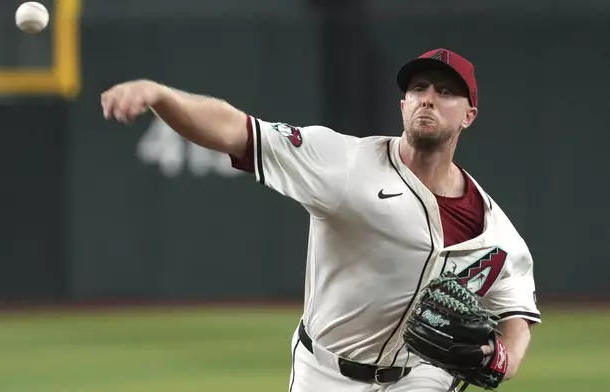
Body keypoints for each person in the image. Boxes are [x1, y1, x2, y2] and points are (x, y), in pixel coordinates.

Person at [100, 48, 541, 392]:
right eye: (419, 88)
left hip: (419, 376)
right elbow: (236, 129)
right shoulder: (345, 163)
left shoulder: (494, 231)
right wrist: (159, 95)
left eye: (445, 92)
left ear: (469, 115)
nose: (428, 98)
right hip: (325, 371)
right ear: (403, 104)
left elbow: (515, 308)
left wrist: (505, 357)